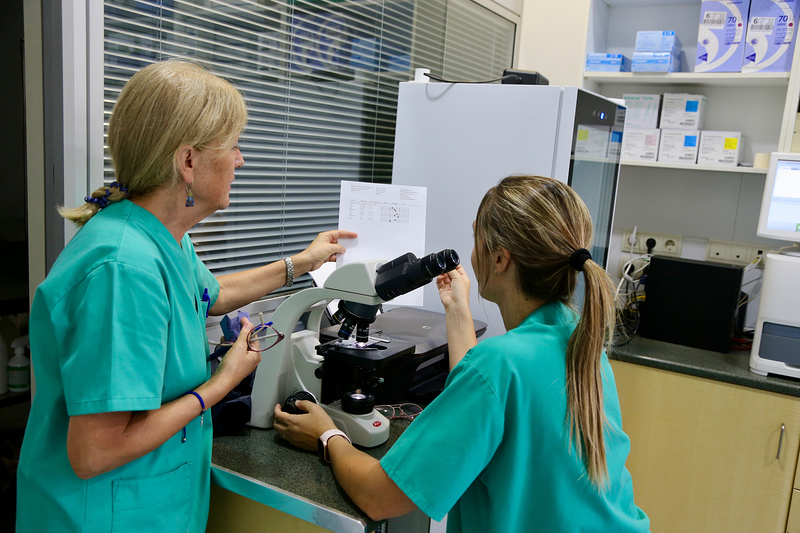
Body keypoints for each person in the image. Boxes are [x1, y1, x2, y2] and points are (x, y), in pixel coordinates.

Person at [16, 60, 355, 533]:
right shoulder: (122, 269)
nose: (241, 160)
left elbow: (210, 295)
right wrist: (222, 381)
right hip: (101, 515)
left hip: (150, 503)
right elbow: (95, 452)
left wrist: (302, 261)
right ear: (189, 161)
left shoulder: (161, 234)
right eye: (234, 146)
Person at [275, 175, 650, 532]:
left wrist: (327, 436)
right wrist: (457, 309)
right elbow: (485, 390)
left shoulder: (500, 365)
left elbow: (379, 496)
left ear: (500, 259)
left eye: (477, 239)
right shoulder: (576, 336)